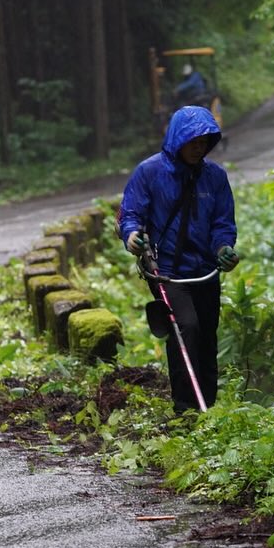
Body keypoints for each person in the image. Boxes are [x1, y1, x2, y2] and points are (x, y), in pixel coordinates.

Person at [117, 106, 239, 413]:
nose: (199, 147)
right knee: (186, 328)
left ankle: (207, 404)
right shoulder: (150, 172)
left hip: (205, 272)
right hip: (167, 271)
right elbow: (130, 214)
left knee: (207, 334)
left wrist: (224, 248)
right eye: (193, 141)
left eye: (205, 141)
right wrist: (132, 237)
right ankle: (185, 409)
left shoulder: (215, 178)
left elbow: (222, 223)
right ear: (178, 139)